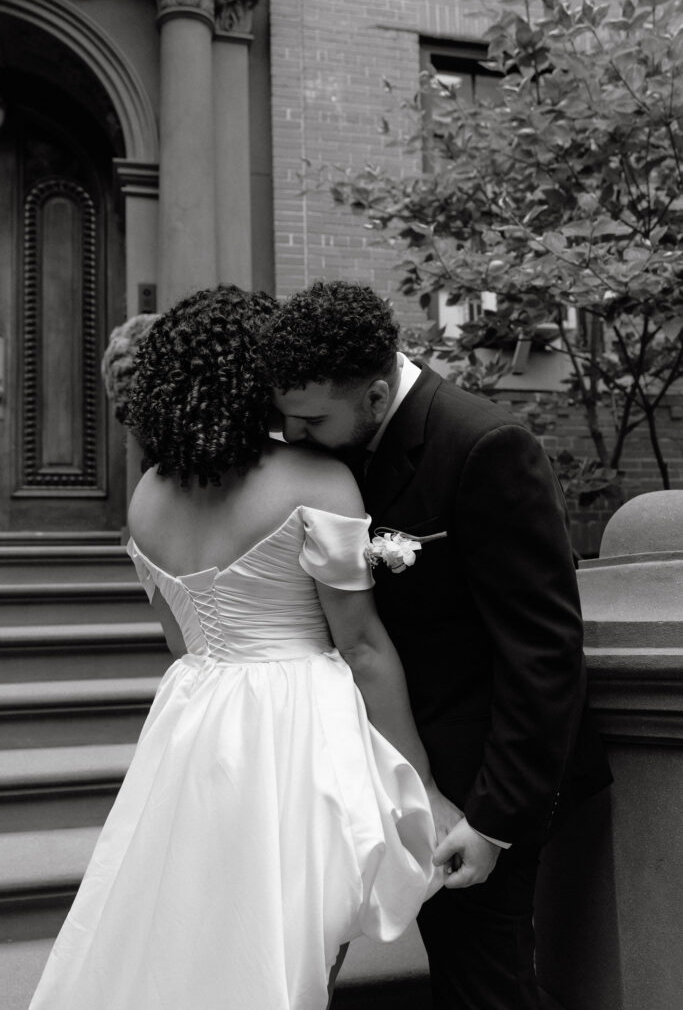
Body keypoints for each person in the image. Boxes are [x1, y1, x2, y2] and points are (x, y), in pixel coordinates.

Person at [28, 284, 459, 1010]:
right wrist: (422, 787)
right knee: (298, 939)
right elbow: (362, 649)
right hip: (298, 727)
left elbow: (180, 642)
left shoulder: (146, 500)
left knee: (203, 928)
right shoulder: (317, 480)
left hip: (198, 723)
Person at [266, 279, 613, 1010]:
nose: (294, 438)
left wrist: (492, 822)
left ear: (375, 389)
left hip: (482, 783)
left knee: (486, 988)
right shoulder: (339, 442)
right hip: (396, 770)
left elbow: (542, 650)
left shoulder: (484, 446)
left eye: (311, 420)